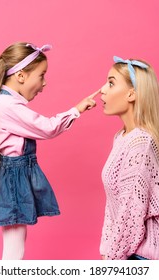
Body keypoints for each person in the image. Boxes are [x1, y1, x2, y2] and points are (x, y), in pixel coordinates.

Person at [0, 42, 99, 259]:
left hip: (10, 176)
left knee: (15, 239)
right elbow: (47, 128)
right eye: (41, 75)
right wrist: (76, 110)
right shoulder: (7, 106)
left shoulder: (1, 102)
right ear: (21, 76)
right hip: (12, 179)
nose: (44, 83)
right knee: (14, 245)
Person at [99, 56, 159, 260]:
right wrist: (105, 251)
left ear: (131, 94)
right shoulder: (122, 137)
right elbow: (113, 208)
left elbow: (130, 216)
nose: (102, 90)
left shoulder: (141, 142)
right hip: (125, 253)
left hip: (141, 257)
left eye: (111, 83)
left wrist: (111, 259)